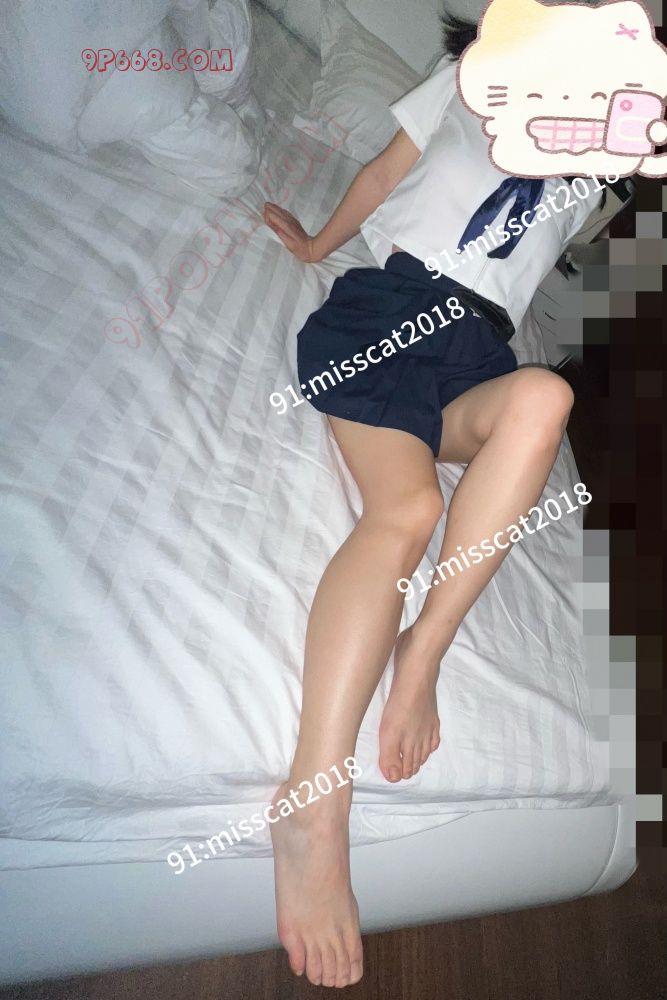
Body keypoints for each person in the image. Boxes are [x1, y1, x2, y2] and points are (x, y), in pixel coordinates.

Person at [261, 13, 603, 990]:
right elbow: (382, 175)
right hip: (389, 315)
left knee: (545, 398)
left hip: (478, 354)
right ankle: (314, 804)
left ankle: (423, 651)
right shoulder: (466, 81)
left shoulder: (595, 161)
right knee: (407, 512)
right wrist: (314, 246)